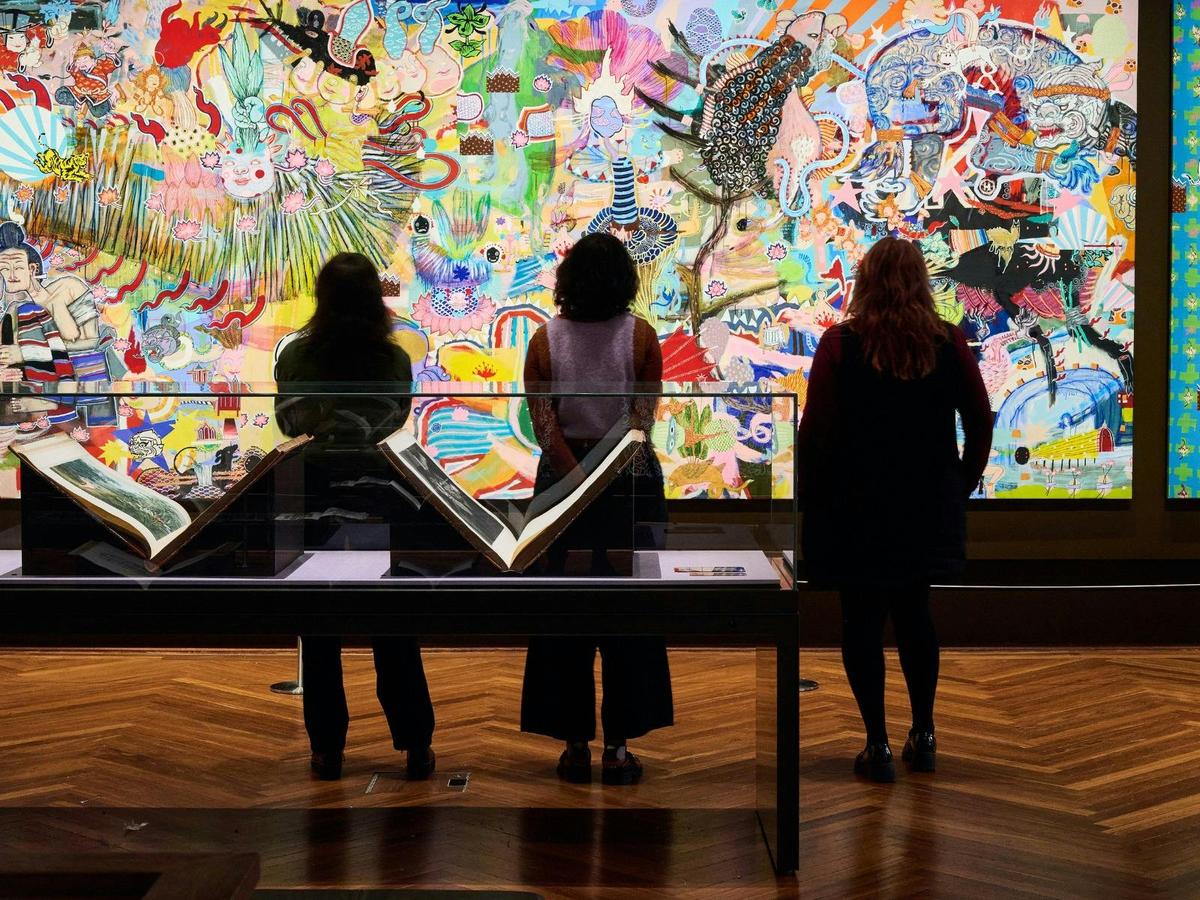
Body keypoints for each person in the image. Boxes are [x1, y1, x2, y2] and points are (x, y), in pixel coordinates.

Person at [797, 237, 992, 783]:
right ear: (921, 281)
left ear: (864, 281)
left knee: (861, 621)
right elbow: (980, 420)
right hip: (924, 504)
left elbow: (815, 433)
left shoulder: (840, 344)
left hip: (855, 505)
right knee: (915, 615)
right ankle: (923, 732)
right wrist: (959, 484)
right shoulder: (947, 342)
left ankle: (876, 743)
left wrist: (813, 501)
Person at [274, 252, 436, 781]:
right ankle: (416, 744)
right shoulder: (392, 360)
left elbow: (288, 424)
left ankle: (327, 750)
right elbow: (395, 419)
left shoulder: (296, 355)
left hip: (315, 498)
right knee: (394, 627)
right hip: (380, 499)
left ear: (322, 298)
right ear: (374, 299)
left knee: (320, 630)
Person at [520, 232, 672, 785]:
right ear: (624, 280)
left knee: (564, 611)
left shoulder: (545, 339)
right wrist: (606, 472)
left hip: (561, 483)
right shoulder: (642, 336)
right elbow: (641, 419)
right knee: (631, 612)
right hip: (631, 480)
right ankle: (619, 746)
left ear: (569, 282)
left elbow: (544, 425)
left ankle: (573, 745)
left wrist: (575, 475)